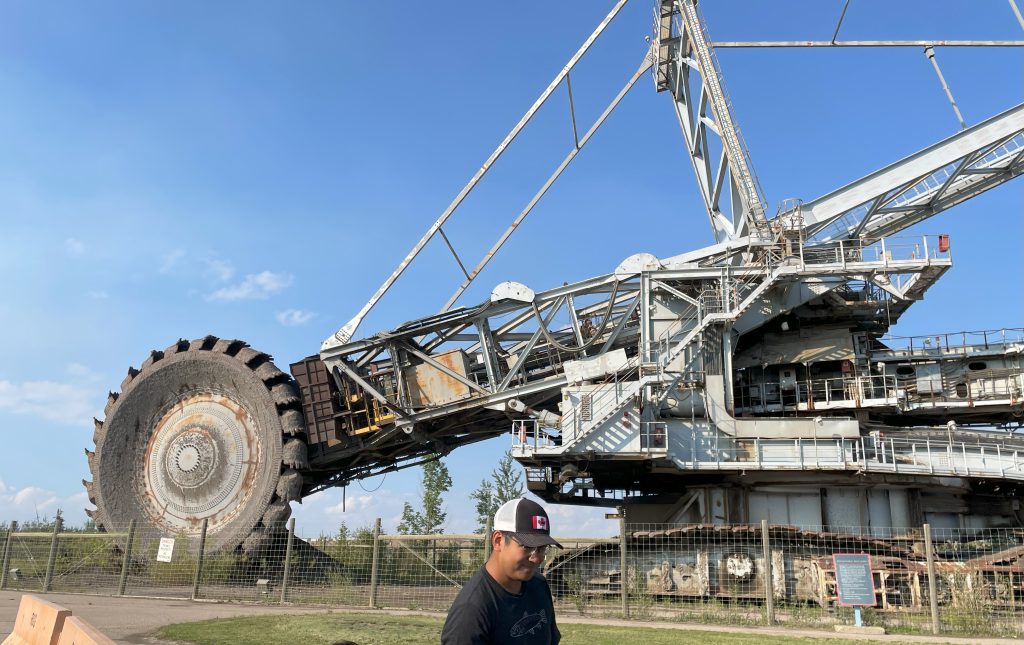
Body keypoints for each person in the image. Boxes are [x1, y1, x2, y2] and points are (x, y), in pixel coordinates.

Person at [441, 497, 562, 644]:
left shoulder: (539, 585)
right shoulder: (471, 611)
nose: (536, 558)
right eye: (528, 547)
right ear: (498, 541)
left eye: (542, 548)